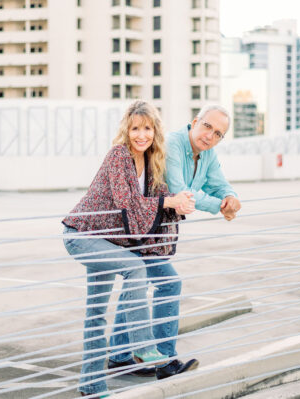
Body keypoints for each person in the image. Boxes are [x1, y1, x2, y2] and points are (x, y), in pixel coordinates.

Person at [62, 100, 196, 397]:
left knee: (96, 314)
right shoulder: (118, 156)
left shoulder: (152, 162)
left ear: (155, 132)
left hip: (109, 241)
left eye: (147, 128)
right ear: (127, 130)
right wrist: (167, 202)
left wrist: (180, 203)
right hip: (82, 236)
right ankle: (144, 347)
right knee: (135, 268)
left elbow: (163, 202)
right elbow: (129, 205)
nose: (141, 135)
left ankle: (91, 386)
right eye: (135, 128)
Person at [108, 105, 241, 380]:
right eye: (207, 127)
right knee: (168, 283)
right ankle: (165, 362)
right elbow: (182, 189)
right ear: (195, 122)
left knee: (137, 283)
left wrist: (230, 198)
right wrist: (219, 206)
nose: (210, 136)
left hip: (155, 230)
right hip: (140, 225)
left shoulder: (207, 154)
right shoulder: (174, 144)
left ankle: (119, 357)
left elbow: (219, 183)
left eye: (218, 134)